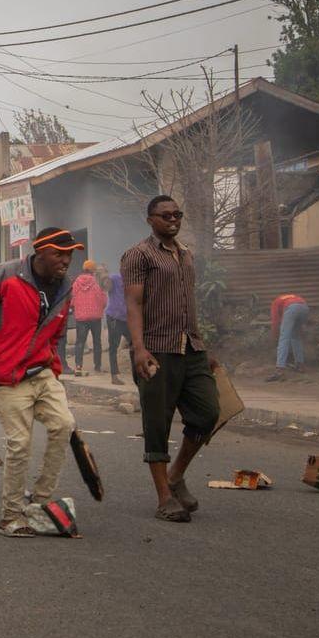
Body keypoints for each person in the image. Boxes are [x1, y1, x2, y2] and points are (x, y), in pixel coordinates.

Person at [0, 227, 82, 538]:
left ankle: (39, 501)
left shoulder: (66, 287)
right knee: (20, 443)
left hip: (42, 372)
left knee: (64, 425)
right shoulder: (7, 275)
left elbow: (57, 333)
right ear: (39, 253)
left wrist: (55, 368)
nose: (66, 260)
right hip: (4, 375)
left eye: (69, 254)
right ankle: (11, 516)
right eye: (58, 254)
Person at [123, 195, 221, 524]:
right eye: (165, 215)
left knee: (208, 413)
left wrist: (203, 346)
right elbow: (134, 303)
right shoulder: (138, 254)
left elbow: (188, 303)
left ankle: (176, 475)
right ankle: (165, 497)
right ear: (150, 219)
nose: (173, 220)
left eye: (177, 214)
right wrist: (139, 348)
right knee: (157, 424)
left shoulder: (186, 254)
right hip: (156, 349)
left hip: (190, 347)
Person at [70, 259, 108, 376]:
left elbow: (72, 300)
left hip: (81, 317)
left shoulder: (76, 283)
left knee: (80, 342)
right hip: (95, 317)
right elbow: (103, 300)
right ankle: (97, 366)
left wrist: (77, 307)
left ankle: (78, 366)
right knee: (97, 342)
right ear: (93, 271)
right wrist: (100, 308)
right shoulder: (96, 283)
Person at [267, 293, 308, 382]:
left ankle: (280, 369)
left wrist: (274, 335)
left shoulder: (275, 303)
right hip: (304, 307)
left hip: (291, 309)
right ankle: (300, 365)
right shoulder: (289, 297)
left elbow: (275, 321)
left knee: (284, 338)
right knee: (296, 337)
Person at [104, 265, 128, 385]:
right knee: (113, 346)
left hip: (127, 318)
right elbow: (105, 286)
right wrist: (104, 277)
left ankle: (139, 373)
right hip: (114, 317)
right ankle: (114, 376)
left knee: (135, 343)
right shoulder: (114, 278)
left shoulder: (133, 281)